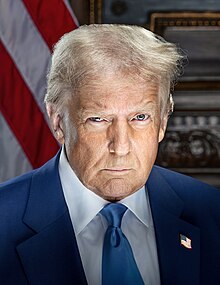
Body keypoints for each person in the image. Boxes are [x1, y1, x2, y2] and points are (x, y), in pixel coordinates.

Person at [0, 24, 220, 285]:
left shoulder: (212, 212)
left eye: (140, 117)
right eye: (98, 119)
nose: (121, 147)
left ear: (162, 121)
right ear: (58, 122)